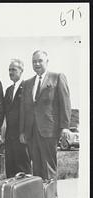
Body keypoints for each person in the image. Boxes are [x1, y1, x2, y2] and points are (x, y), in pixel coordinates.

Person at [20, 50, 71, 183]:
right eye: (34, 62)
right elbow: (24, 109)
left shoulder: (57, 77)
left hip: (49, 131)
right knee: (36, 170)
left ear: (47, 62)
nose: (36, 64)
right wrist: (23, 131)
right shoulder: (27, 83)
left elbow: (65, 103)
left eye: (40, 61)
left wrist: (65, 127)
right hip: (32, 132)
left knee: (49, 169)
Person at [4, 59, 31, 178]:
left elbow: (29, 112)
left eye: (13, 69)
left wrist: (24, 132)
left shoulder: (27, 87)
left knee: (23, 168)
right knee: (10, 168)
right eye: (9, 70)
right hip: (9, 136)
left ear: (21, 71)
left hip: (21, 136)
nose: (11, 72)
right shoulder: (8, 90)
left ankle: (25, 195)